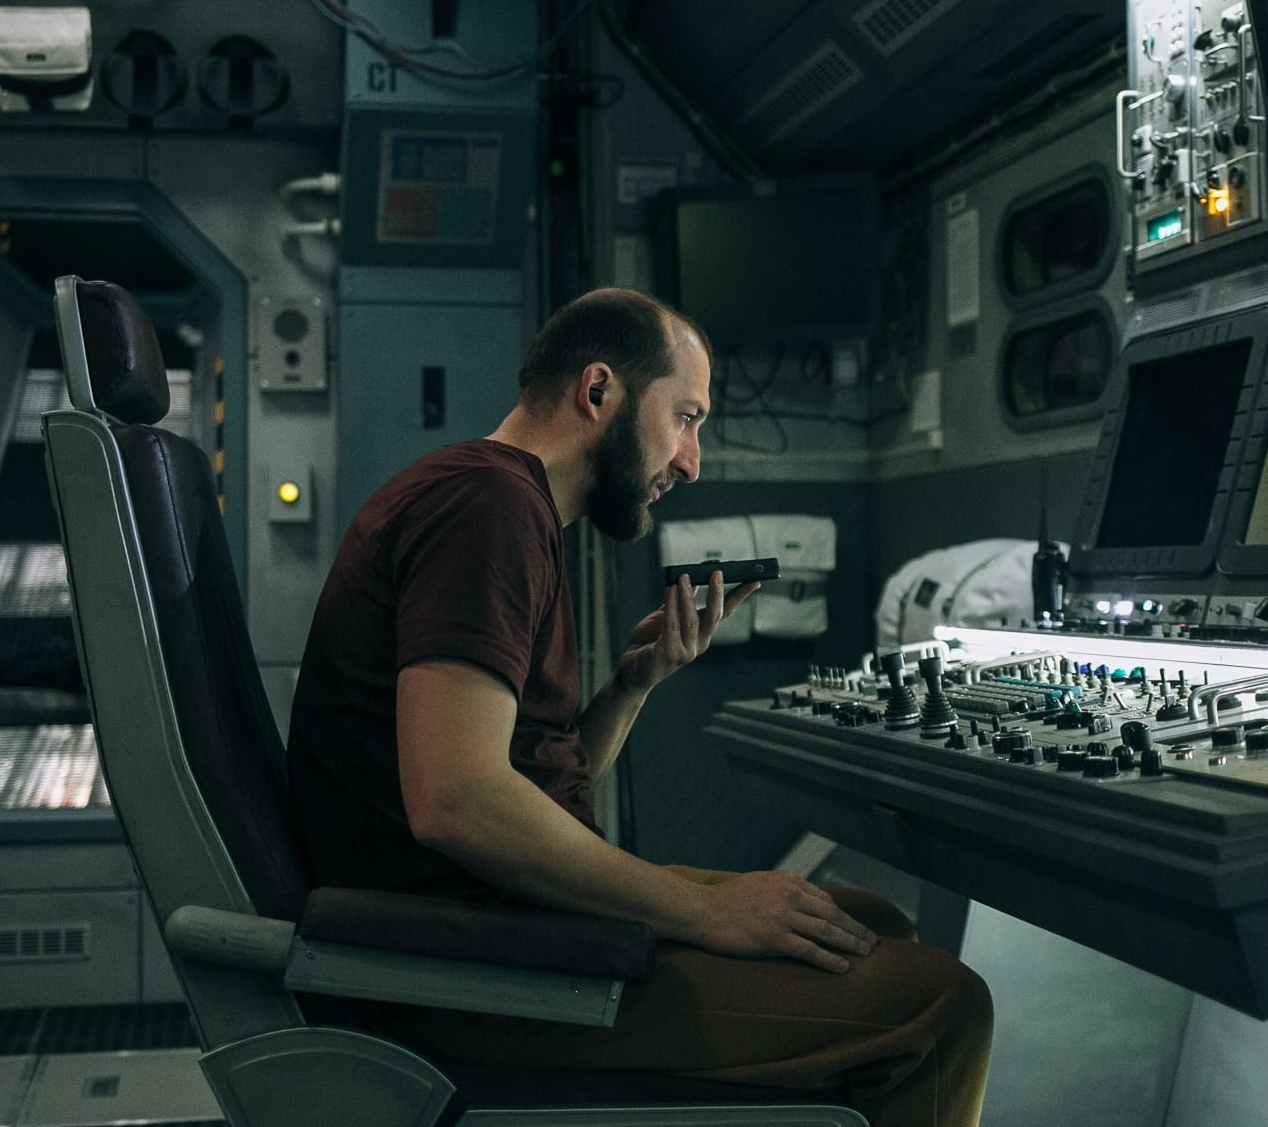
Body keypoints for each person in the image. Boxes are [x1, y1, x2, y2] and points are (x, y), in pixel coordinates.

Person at [287, 287, 992, 1127]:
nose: (691, 460)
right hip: (457, 963)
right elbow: (457, 802)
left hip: (484, 914)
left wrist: (633, 684)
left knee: (866, 920)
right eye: (686, 417)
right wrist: (701, 909)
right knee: (945, 1013)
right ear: (598, 393)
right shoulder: (488, 507)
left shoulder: (510, 511)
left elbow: (531, 783)